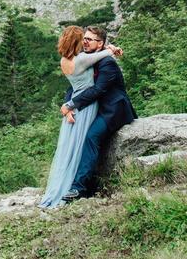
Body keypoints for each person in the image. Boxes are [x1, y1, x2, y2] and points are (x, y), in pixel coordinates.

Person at [39, 25, 118, 209]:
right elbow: (104, 55)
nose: (85, 41)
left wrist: (68, 106)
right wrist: (112, 48)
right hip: (85, 107)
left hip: (74, 106)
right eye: (82, 39)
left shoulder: (64, 60)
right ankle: (73, 188)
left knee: (69, 148)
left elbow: (73, 87)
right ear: (76, 42)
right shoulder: (82, 60)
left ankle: (62, 187)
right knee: (80, 145)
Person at [60, 25, 137, 201]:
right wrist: (67, 104)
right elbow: (74, 85)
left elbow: (98, 90)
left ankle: (78, 189)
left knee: (91, 137)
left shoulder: (107, 63)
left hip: (113, 109)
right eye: (84, 38)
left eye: (89, 39)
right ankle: (83, 184)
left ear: (100, 43)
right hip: (96, 108)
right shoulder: (88, 58)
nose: (85, 42)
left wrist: (72, 105)